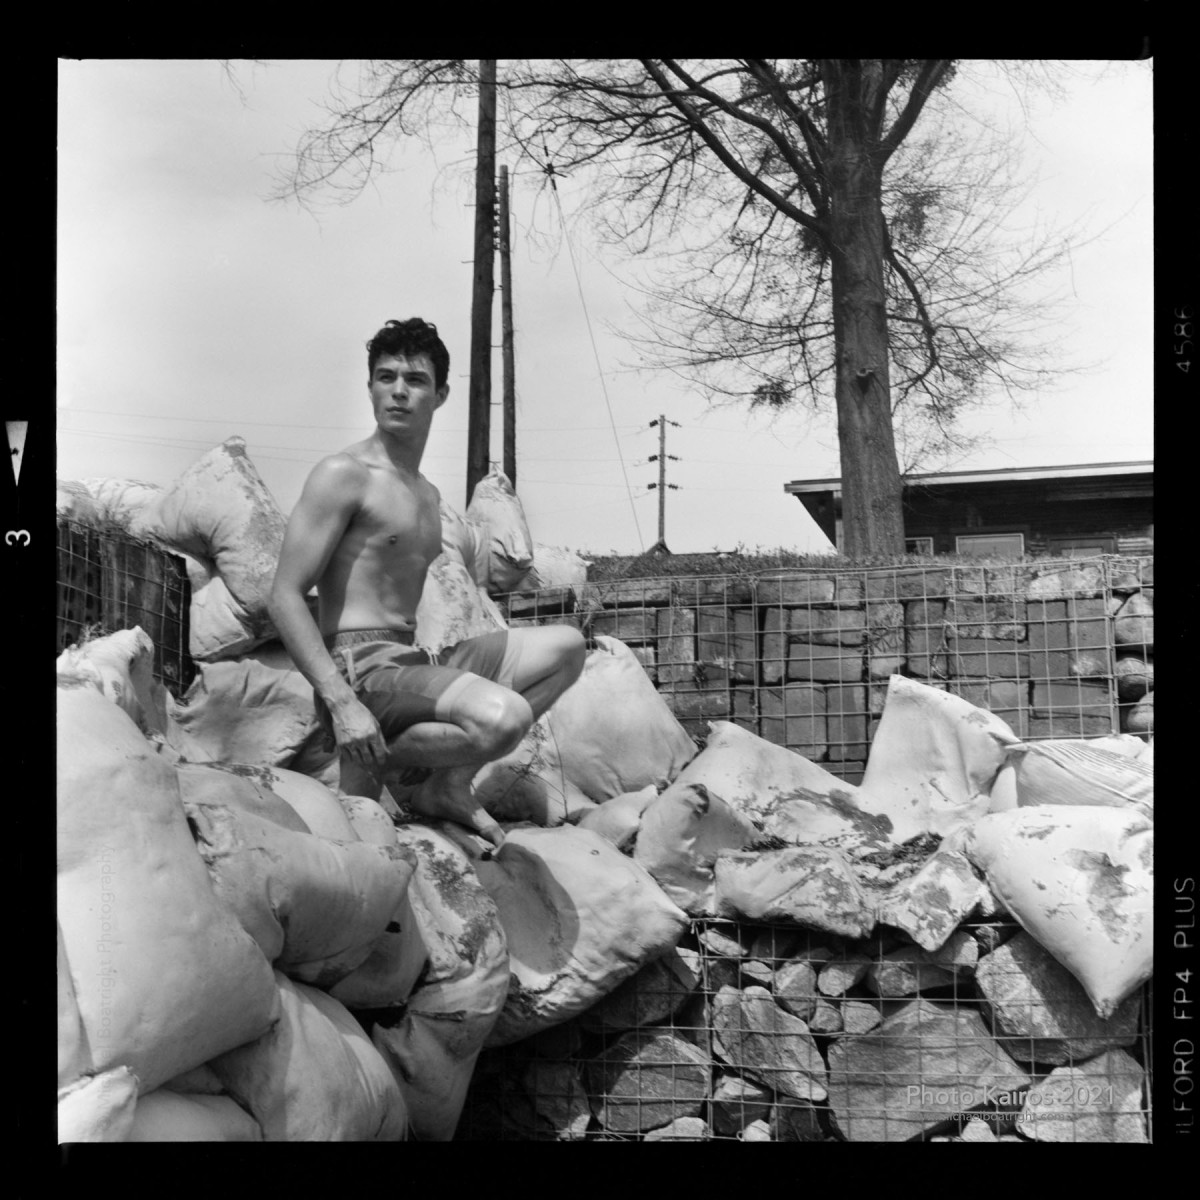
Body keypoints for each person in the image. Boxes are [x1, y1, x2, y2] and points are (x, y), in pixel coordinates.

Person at [268, 318, 586, 851]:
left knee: (568, 648)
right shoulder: (344, 474)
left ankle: (447, 785)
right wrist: (342, 704)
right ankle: (367, 754)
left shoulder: (426, 494)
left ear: (440, 395)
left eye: (414, 380)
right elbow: (284, 596)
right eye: (385, 377)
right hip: (360, 671)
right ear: (370, 386)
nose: (398, 391)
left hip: (414, 661)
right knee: (503, 719)